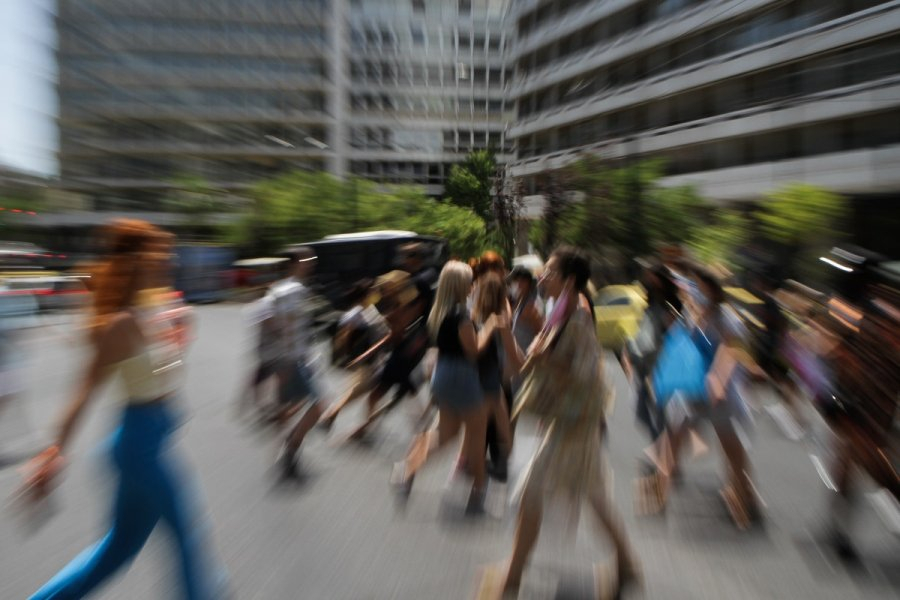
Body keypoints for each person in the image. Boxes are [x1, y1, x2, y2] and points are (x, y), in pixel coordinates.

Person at [18, 219, 224, 600]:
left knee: (118, 550)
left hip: (150, 438)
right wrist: (53, 453)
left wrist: (179, 339)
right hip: (139, 444)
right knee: (189, 534)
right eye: (161, 251)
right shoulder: (121, 324)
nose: (169, 258)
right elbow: (83, 391)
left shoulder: (151, 309)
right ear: (138, 259)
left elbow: (161, 375)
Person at [494, 246, 639, 597]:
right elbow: (527, 365)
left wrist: (546, 358)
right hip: (567, 422)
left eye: (549, 272)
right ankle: (627, 565)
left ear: (569, 280)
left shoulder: (580, 316)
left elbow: (586, 374)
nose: (542, 277)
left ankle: (511, 579)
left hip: (577, 424)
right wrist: (505, 333)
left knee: (532, 493)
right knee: (594, 496)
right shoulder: (557, 311)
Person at [392, 260, 499, 514]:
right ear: (461, 285)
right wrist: (490, 328)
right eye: (470, 280)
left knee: (447, 433)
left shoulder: (441, 312)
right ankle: (478, 492)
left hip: (444, 375)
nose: (473, 285)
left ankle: (407, 469)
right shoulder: (460, 315)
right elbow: (473, 352)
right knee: (476, 433)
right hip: (462, 377)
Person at [271, 247, 325, 478]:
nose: (311, 263)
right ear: (295, 263)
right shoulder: (293, 290)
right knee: (318, 406)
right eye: (307, 259)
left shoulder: (280, 288)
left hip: (287, 358)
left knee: (289, 406)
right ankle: (291, 445)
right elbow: (286, 328)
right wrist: (289, 361)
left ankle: (284, 446)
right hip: (291, 359)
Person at [472, 272, 514, 483]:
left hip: (481, 378)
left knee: (485, 428)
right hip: (490, 378)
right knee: (499, 427)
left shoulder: (476, 316)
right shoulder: (497, 319)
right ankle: (492, 469)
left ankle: (479, 470)